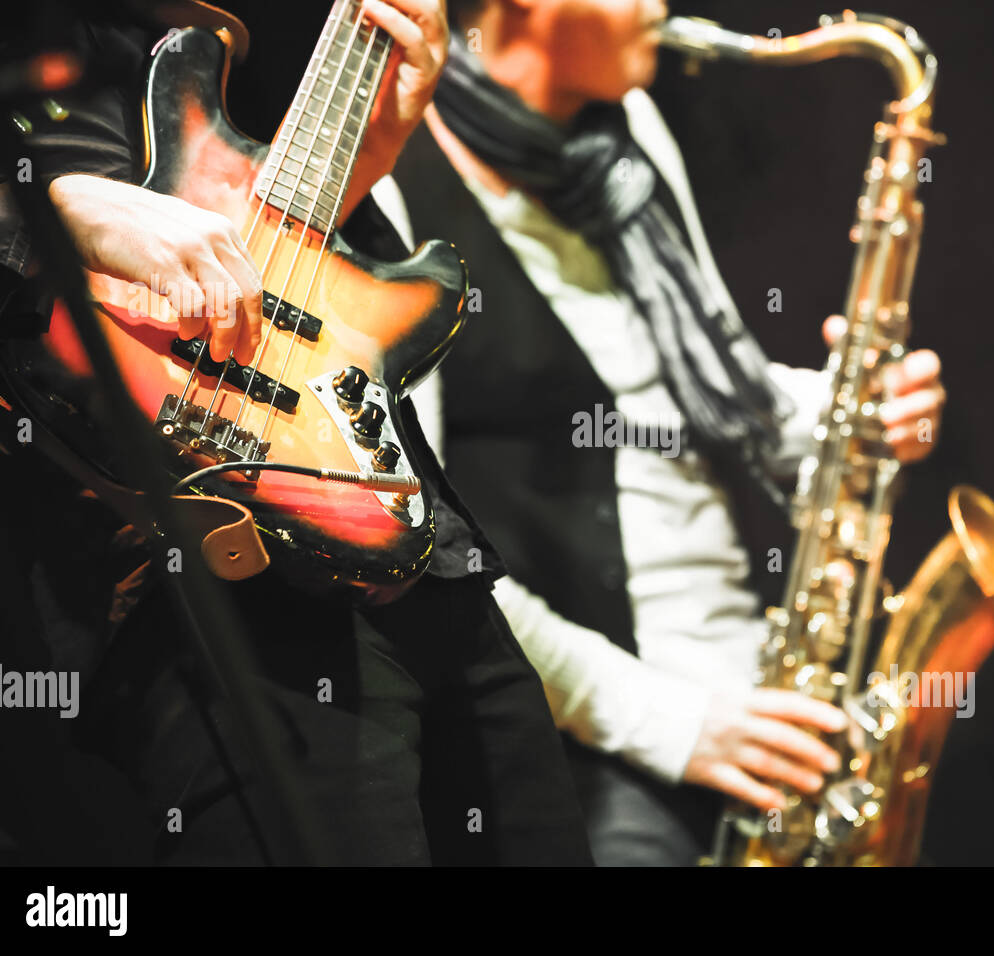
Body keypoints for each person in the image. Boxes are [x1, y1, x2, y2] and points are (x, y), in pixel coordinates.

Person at [0, 0, 592, 866]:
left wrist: (361, 159)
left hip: (416, 548)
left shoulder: (214, 30)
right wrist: (68, 206)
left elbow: (261, 267)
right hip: (190, 573)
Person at [390, 0, 948, 865]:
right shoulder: (394, 183)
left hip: (749, 686)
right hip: (592, 753)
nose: (659, 7)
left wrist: (852, 409)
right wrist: (677, 726)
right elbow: (423, 555)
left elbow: (705, 381)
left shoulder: (626, 129)